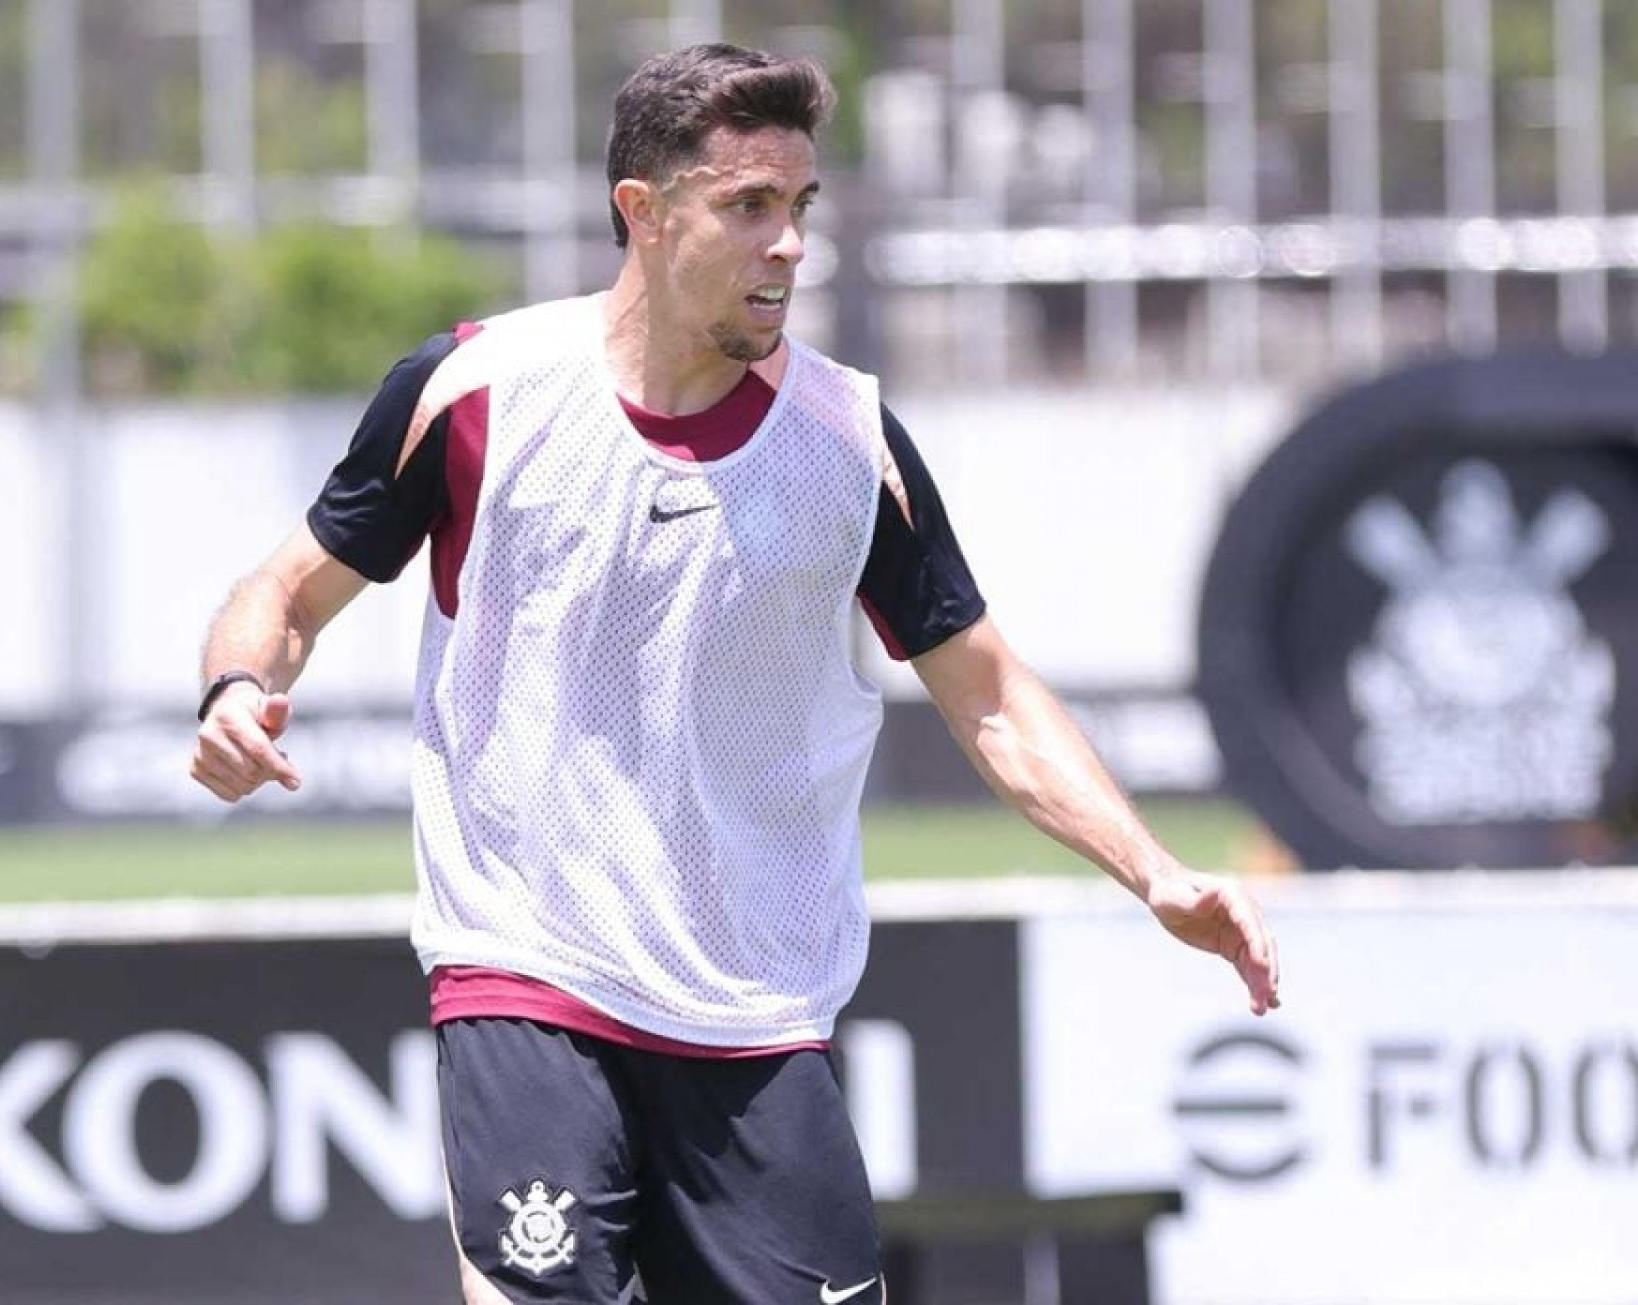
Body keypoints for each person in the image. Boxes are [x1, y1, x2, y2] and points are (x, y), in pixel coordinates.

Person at [190, 41, 1280, 1305]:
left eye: (801, 208)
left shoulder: (848, 442)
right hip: (524, 977)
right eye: (749, 206)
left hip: (756, 1013)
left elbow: (985, 693)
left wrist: (1155, 873)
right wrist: (230, 693)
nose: (789, 246)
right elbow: (281, 594)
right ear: (642, 214)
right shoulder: (471, 394)